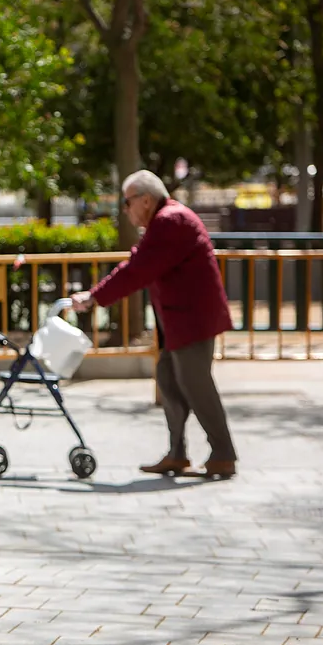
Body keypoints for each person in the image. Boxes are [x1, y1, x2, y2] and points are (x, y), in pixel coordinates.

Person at [71, 170, 238, 479]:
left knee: (195, 384)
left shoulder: (170, 221)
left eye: (127, 201)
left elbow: (137, 270)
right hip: (183, 320)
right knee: (168, 377)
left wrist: (95, 297)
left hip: (192, 320)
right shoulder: (166, 220)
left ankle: (223, 453)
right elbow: (140, 267)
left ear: (145, 200)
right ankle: (177, 454)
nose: (125, 209)